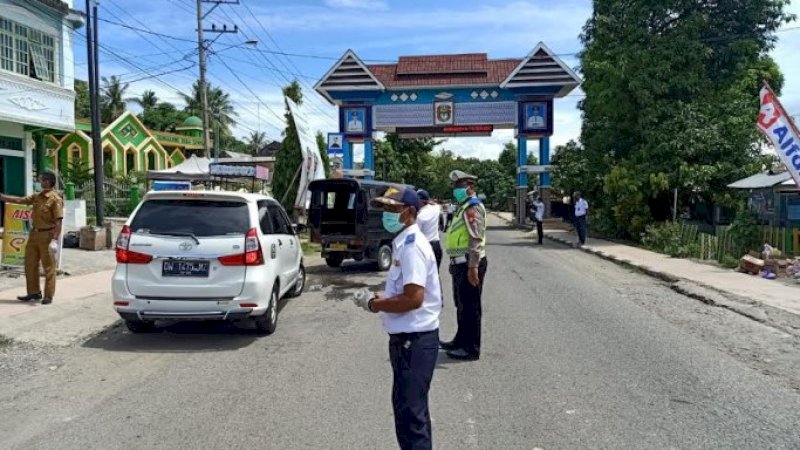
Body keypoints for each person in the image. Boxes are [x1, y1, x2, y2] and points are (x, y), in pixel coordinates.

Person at [352, 185, 441, 450]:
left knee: (411, 417)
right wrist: (383, 295)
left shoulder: (412, 246)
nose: (386, 215)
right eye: (384, 209)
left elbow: (413, 299)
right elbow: (404, 290)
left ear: (409, 212)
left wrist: (374, 304)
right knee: (408, 412)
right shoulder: (403, 242)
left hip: (414, 340)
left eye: (392, 210)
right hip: (409, 340)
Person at [440, 170, 487, 361]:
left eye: (460, 186)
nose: (456, 189)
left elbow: (476, 237)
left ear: (470, 187)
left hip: (469, 263)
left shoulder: (473, 207)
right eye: (455, 186)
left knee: (471, 307)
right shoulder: (463, 206)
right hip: (459, 263)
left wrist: (473, 266)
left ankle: (471, 348)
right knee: (461, 305)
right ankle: (460, 341)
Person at [0, 170, 63, 305]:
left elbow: (58, 221)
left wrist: (54, 239)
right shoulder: (37, 197)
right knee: (30, 264)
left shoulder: (55, 199)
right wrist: (3, 197)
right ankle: (34, 292)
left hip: (47, 235)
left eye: (45, 180)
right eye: (41, 180)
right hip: (34, 234)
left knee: (48, 267)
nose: (43, 182)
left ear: (51, 182)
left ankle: (48, 295)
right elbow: (19, 200)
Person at [416, 190, 443, 269]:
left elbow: (416, 234)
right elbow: (436, 204)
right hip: (436, 247)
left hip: (424, 247)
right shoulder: (436, 208)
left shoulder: (420, 216)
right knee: (435, 275)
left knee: (424, 276)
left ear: (421, 201)